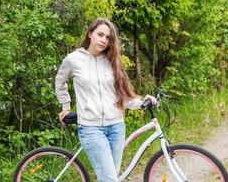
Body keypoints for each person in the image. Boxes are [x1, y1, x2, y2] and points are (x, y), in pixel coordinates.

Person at [55, 17, 156, 182]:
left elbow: (122, 96)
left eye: (108, 37)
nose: (103, 40)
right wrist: (65, 106)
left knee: (110, 178)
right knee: (109, 179)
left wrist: (143, 101)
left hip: (116, 127)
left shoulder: (112, 60)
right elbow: (60, 82)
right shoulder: (73, 59)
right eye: (100, 34)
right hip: (91, 128)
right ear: (90, 33)